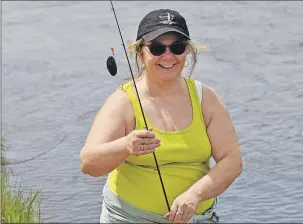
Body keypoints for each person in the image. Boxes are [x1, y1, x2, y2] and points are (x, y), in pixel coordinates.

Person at [80, 8, 243, 224]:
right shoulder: (122, 102)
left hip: (197, 217)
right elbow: (88, 163)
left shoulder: (206, 99)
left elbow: (232, 161)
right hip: (129, 218)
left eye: (177, 47)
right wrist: (125, 146)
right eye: (157, 48)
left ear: (187, 51)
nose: (168, 56)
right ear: (140, 52)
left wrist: (194, 195)